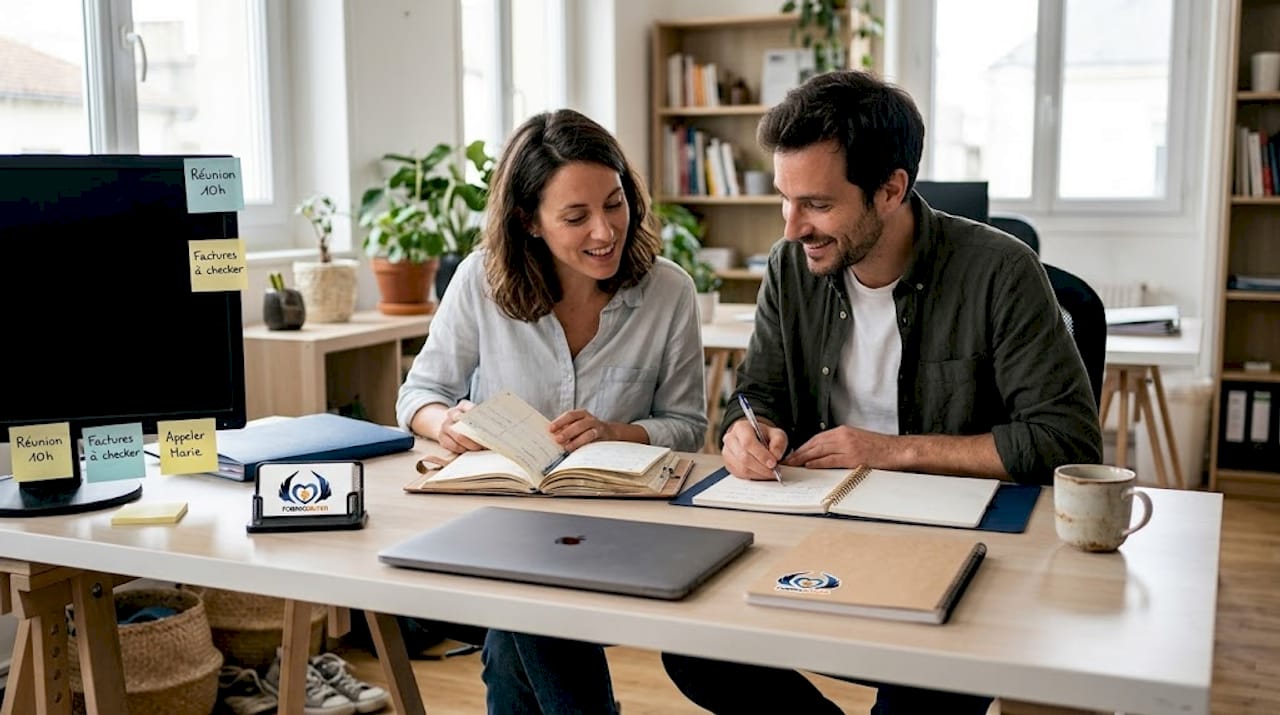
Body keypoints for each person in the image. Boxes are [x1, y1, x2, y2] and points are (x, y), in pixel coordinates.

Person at [660, 70, 1103, 714]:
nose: (791, 229)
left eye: (816, 204)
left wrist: (887, 450)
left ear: (891, 188)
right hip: (814, 528)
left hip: (955, 543)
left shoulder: (1001, 271)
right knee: (695, 649)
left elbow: (1064, 440)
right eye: (785, 200)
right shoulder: (791, 268)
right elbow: (756, 394)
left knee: (917, 694)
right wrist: (745, 432)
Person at [396, 107, 708, 714]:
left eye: (614, 204)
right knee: (526, 608)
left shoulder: (669, 291)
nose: (604, 231)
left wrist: (617, 433)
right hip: (499, 521)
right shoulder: (479, 283)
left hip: (621, 530)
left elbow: (690, 428)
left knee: (520, 618)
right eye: (575, 216)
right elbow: (418, 394)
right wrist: (447, 424)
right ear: (528, 222)